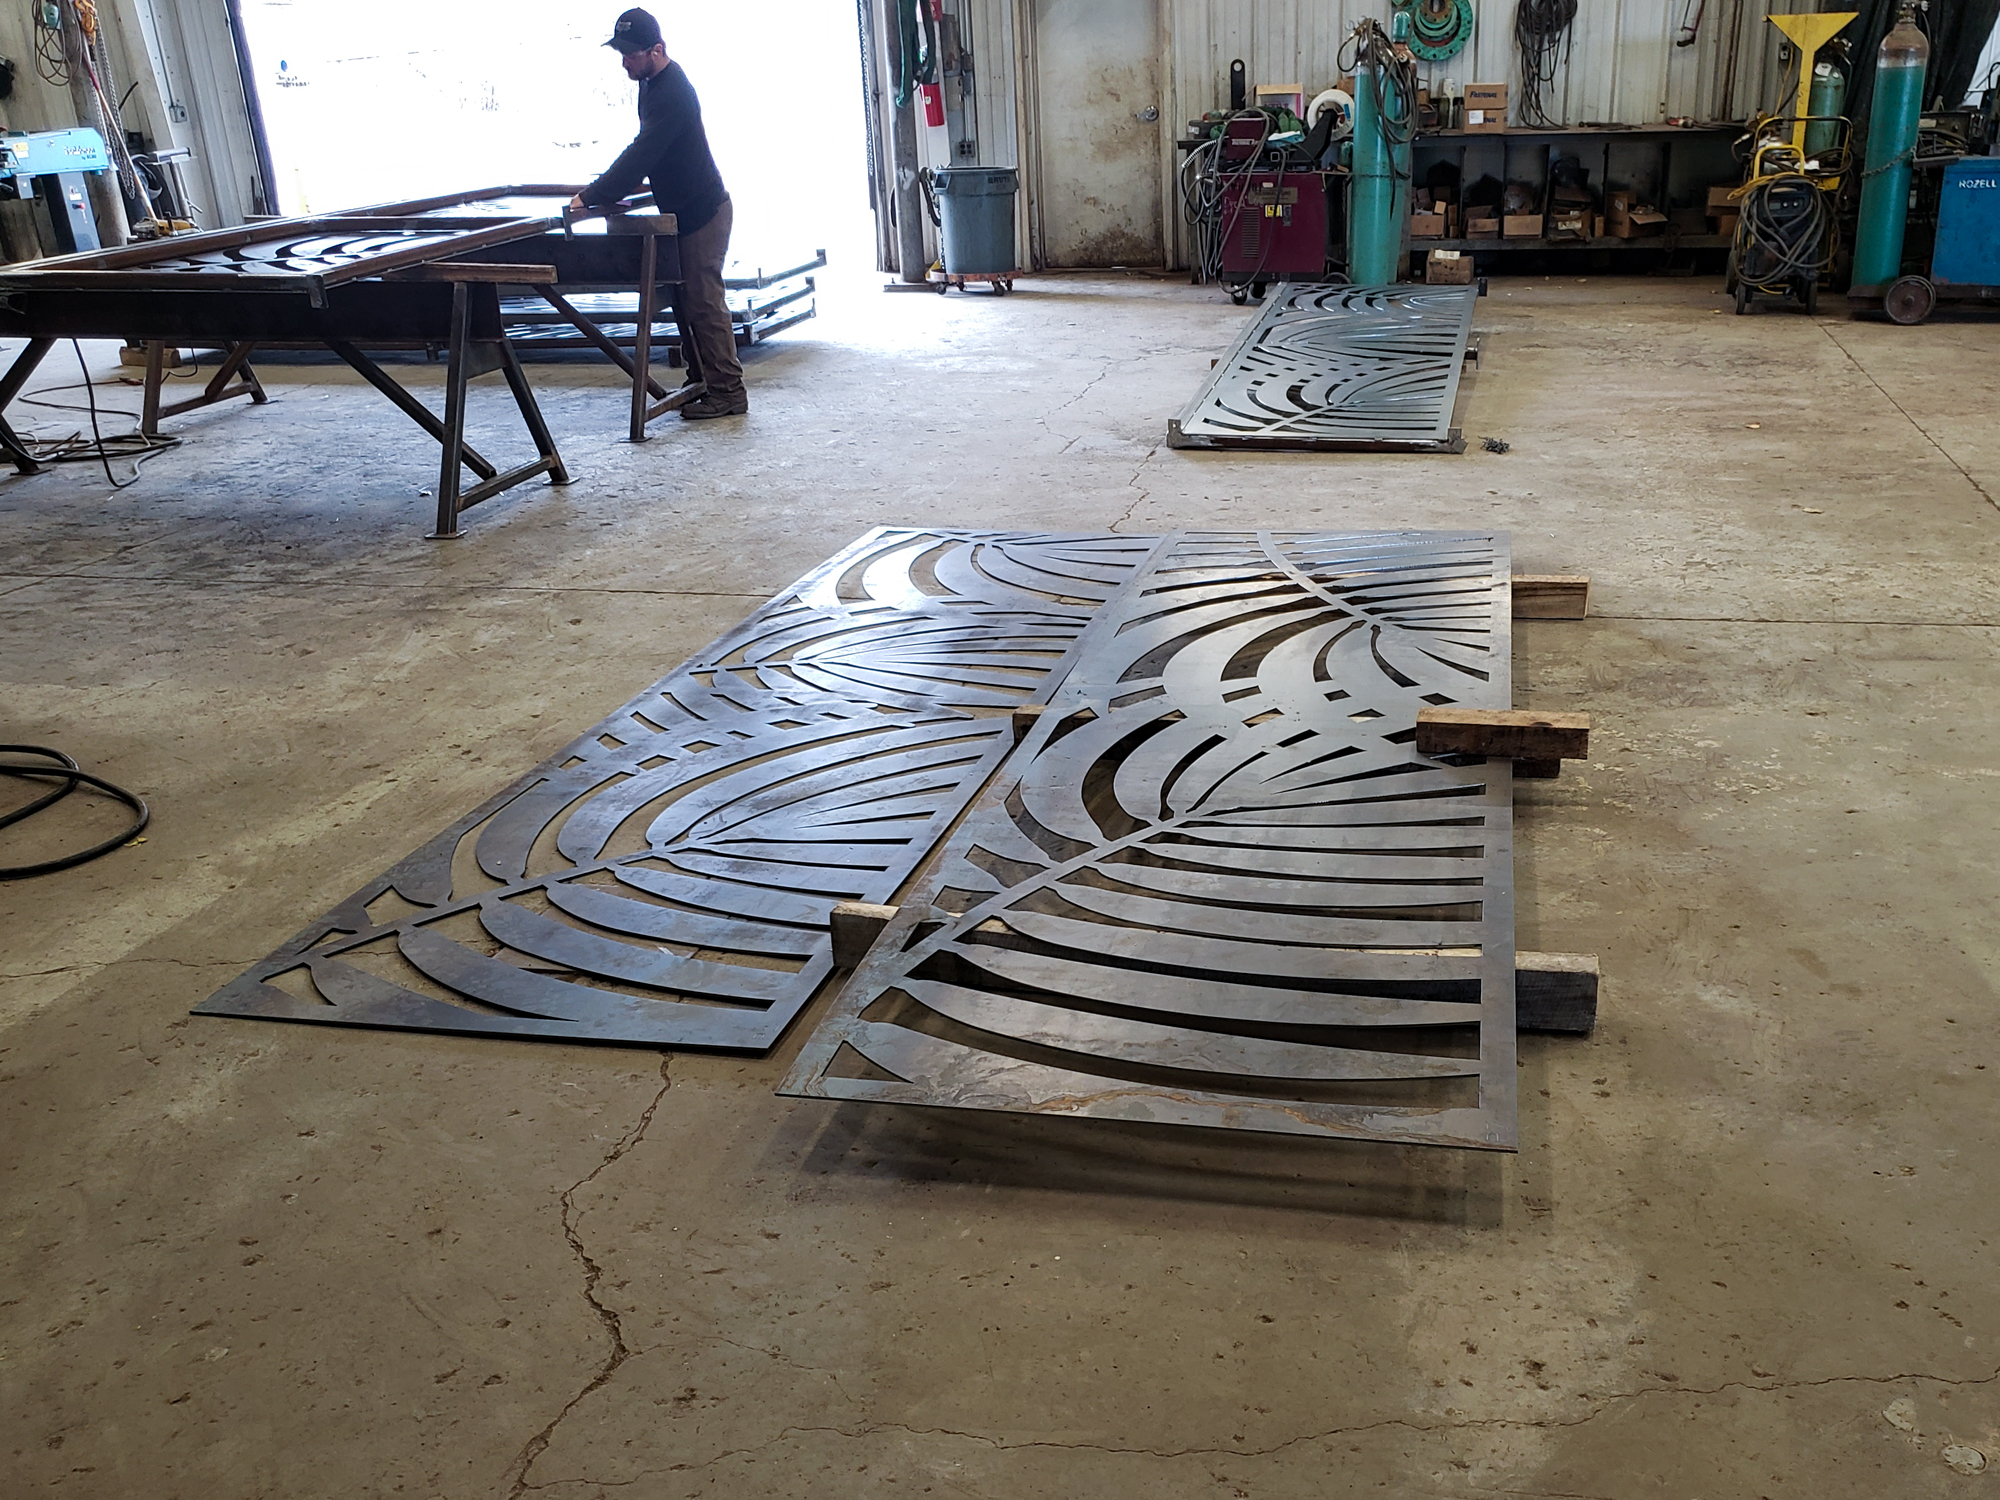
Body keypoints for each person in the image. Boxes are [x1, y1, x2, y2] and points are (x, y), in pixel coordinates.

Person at [571, 9, 745, 419]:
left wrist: (593, 195)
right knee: (687, 300)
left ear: (657, 50)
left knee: (704, 303)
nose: (625, 63)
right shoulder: (650, 83)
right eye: (621, 54)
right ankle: (703, 379)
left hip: (703, 213)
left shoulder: (673, 93)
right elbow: (649, 148)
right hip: (682, 212)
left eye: (631, 55)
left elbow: (643, 152)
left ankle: (729, 392)